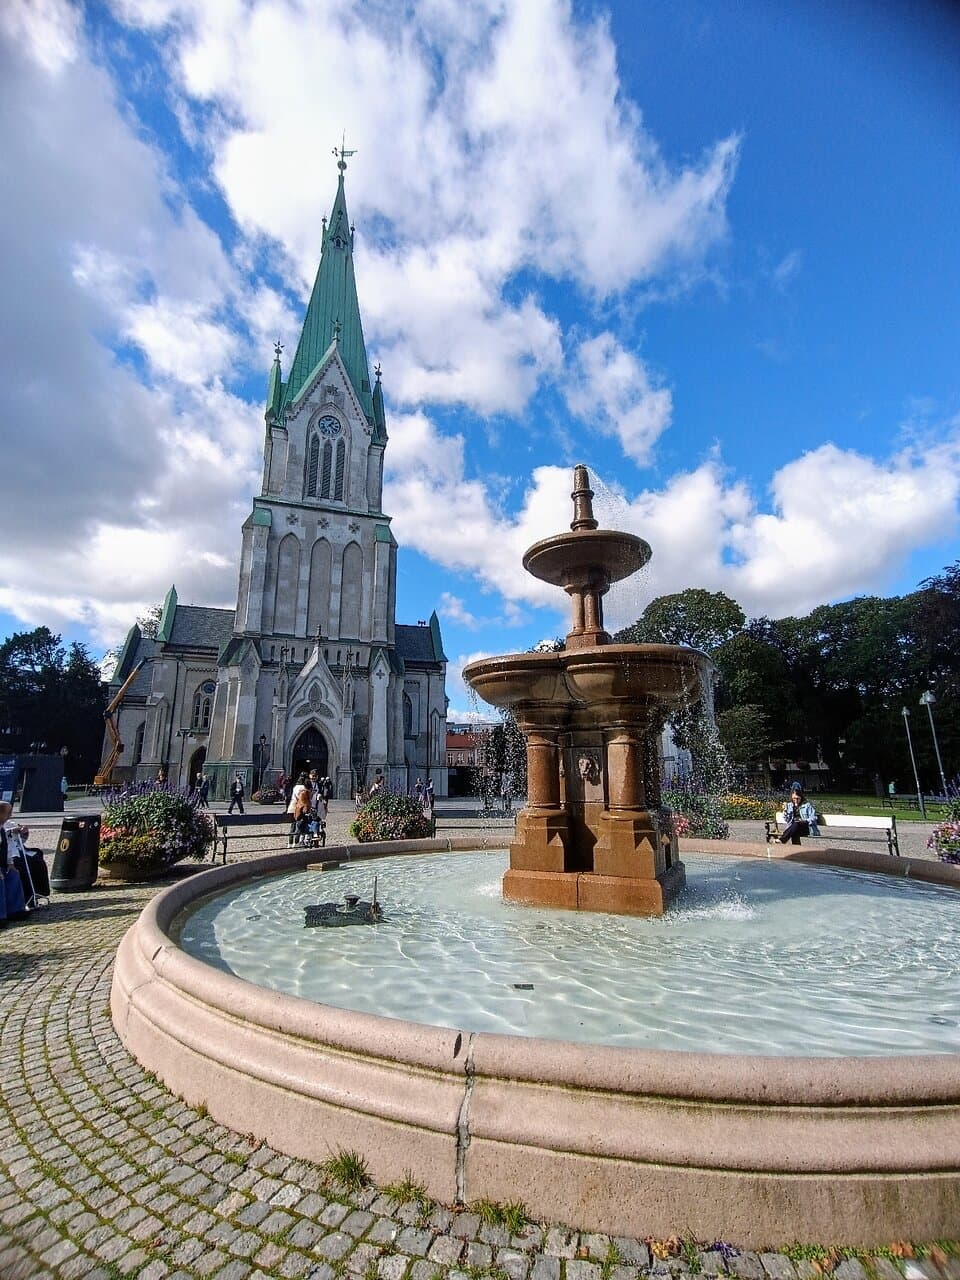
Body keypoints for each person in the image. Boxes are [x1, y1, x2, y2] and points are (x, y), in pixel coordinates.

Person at [0, 801, 29, 923]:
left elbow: (6, 848)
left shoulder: (2, 828)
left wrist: (10, 864)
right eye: (8, 813)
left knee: (13, 874)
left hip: (2, 863)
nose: (10, 816)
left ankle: (16, 910)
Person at [287, 773, 311, 845]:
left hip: (292, 807)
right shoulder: (303, 788)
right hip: (299, 808)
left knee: (292, 826)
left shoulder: (295, 787)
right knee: (299, 826)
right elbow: (303, 800)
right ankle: (296, 843)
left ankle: (290, 843)